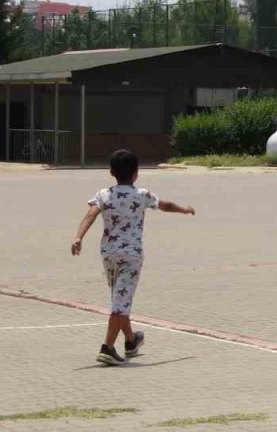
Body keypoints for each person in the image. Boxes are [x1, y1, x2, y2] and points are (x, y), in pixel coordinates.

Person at [70, 150, 196, 366]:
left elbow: (91, 214)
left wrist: (78, 237)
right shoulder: (142, 195)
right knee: (121, 301)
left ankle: (131, 341)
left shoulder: (102, 194)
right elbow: (165, 205)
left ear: (111, 172)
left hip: (109, 254)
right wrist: (184, 210)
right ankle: (107, 347)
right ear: (136, 174)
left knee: (120, 297)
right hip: (131, 255)